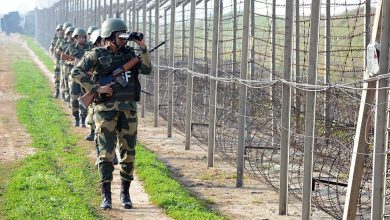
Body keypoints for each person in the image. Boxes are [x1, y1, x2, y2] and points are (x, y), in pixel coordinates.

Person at [71, 18, 151, 210]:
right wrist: (97, 88)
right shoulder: (96, 54)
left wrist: (143, 48)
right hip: (105, 112)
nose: (123, 39)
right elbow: (76, 72)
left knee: (128, 154)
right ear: (109, 36)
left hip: (128, 111)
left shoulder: (131, 54)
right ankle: (106, 195)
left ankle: (125, 193)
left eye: (125, 35)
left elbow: (147, 69)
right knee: (106, 154)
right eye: (119, 35)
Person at [63, 27, 91, 126]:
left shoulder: (89, 47)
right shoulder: (70, 47)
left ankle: (83, 119)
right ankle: (76, 118)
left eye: (83, 37)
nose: (81, 39)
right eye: (79, 37)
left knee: (85, 98)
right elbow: (64, 59)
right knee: (74, 98)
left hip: (85, 78)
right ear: (75, 38)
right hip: (74, 77)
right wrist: (72, 62)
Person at [50, 24, 64, 98]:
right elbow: (51, 49)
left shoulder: (66, 39)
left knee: (65, 77)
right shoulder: (55, 39)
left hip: (65, 61)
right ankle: (57, 90)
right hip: (57, 61)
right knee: (57, 76)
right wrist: (54, 54)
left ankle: (64, 92)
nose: (61, 31)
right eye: (59, 30)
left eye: (62, 30)